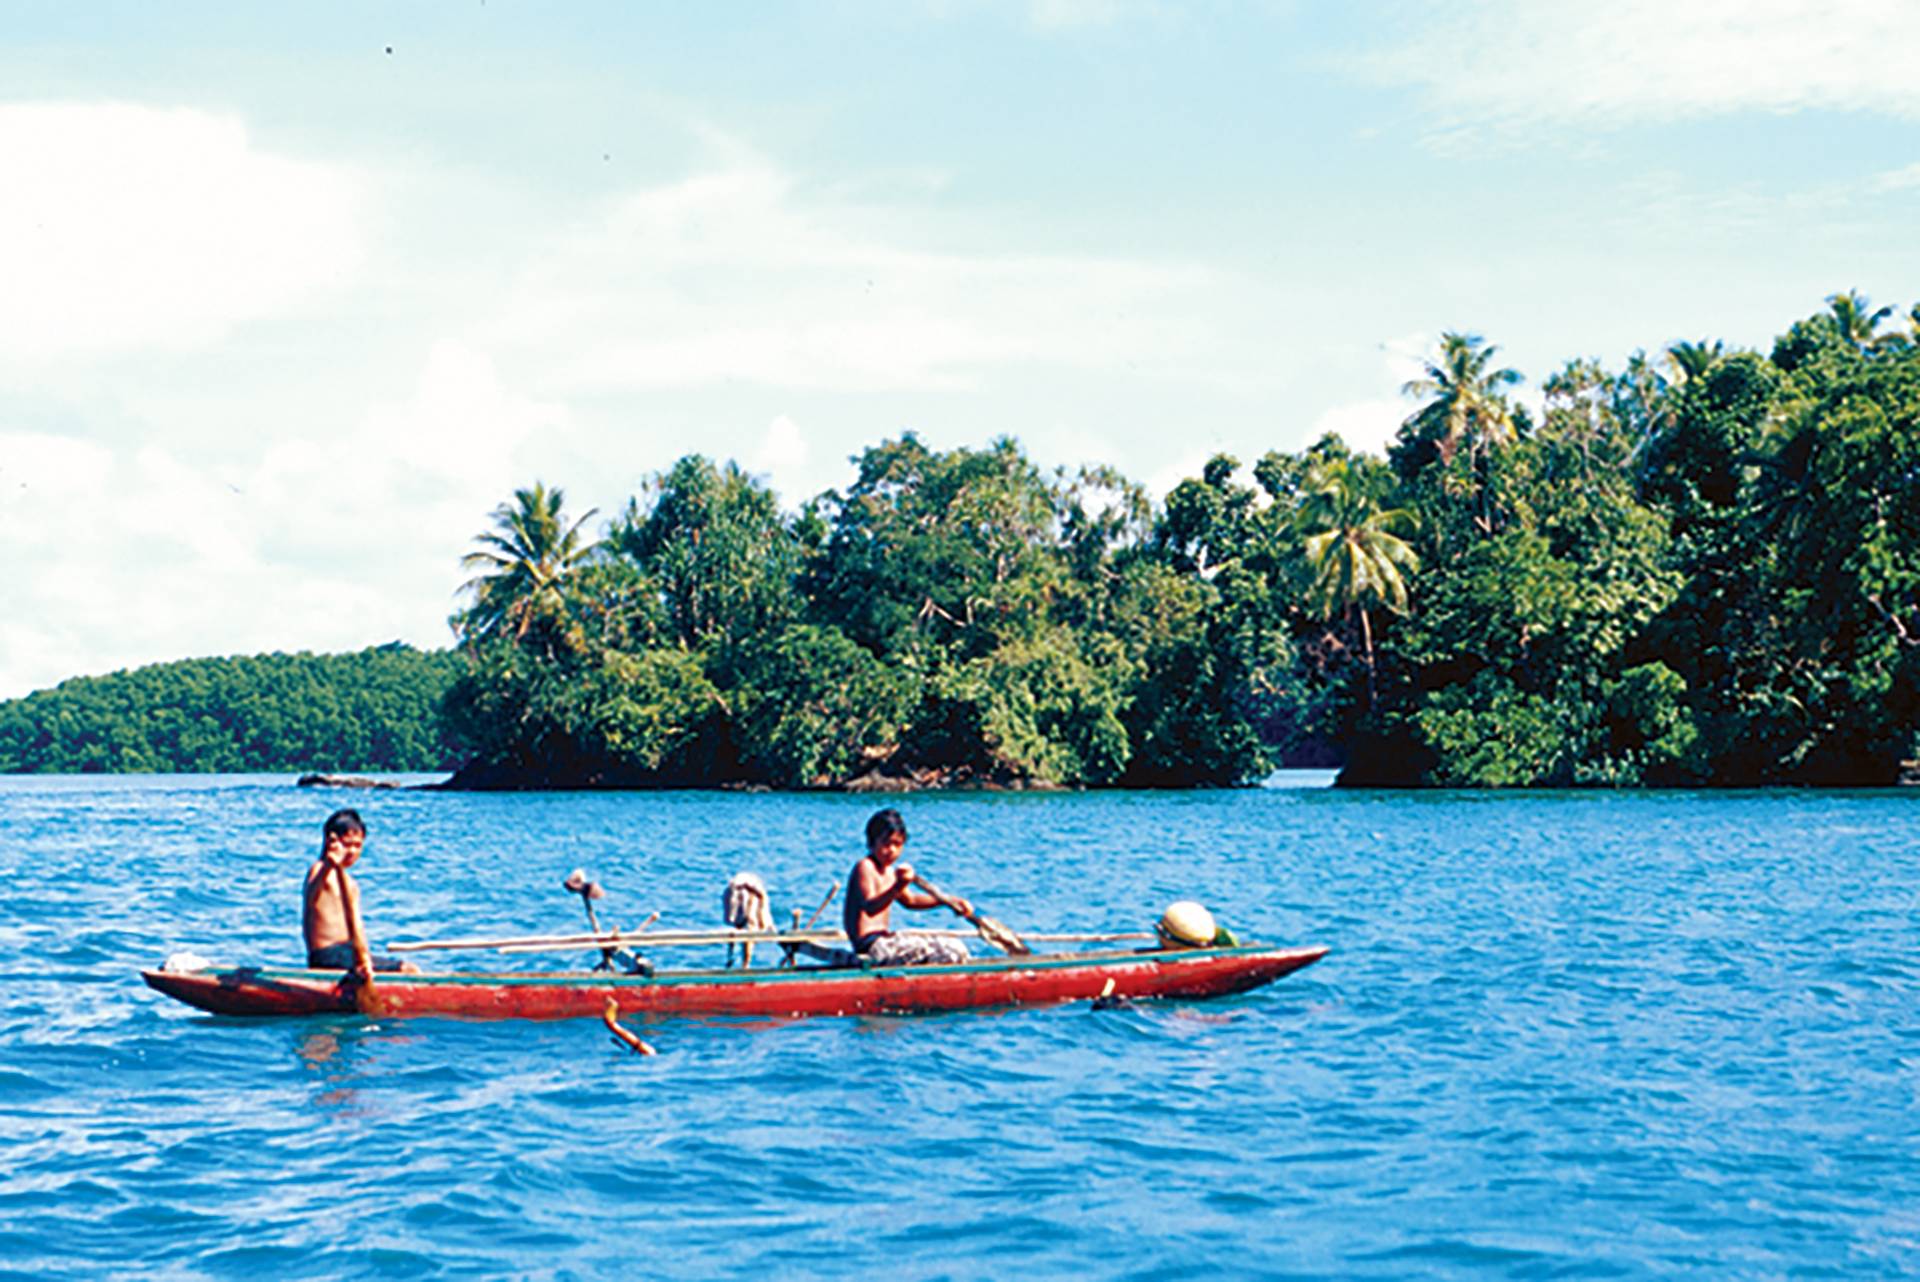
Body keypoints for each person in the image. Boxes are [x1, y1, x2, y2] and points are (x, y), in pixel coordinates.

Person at [843, 808, 973, 965]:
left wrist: (948, 901)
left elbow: (911, 901)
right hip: (871, 946)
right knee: (951, 951)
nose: (891, 850)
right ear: (871, 843)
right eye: (886, 843)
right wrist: (898, 886)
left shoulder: (890, 872)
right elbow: (870, 907)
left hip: (885, 939)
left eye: (897, 845)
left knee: (954, 947)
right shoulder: (865, 867)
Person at [302, 809, 419, 974]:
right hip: (328, 956)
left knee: (405, 967)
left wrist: (364, 957)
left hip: (349, 953)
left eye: (357, 845)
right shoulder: (320, 871)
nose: (352, 852)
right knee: (408, 969)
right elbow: (313, 894)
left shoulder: (350, 883)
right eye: (347, 844)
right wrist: (329, 865)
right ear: (331, 842)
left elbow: (358, 926)